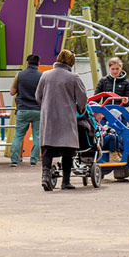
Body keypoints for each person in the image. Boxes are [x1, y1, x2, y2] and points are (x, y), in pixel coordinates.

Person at [35, 49, 87, 191]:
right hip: (66, 117)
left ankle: (45, 175)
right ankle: (66, 181)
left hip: (49, 116)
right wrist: (78, 108)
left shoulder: (45, 75)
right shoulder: (73, 78)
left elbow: (38, 96)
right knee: (67, 149)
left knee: (47, 147)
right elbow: (82, 99)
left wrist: (46, 106)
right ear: (71, 62)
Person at [9, 54, 43, 167]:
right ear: (38, 64)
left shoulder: (20, 75)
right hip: (38, 110)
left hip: (23, 109)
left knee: (18, 135)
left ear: (27, 63)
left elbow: (12, 92)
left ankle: (14, 159)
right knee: (37, 135)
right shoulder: (42, 76)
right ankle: (34, 160)